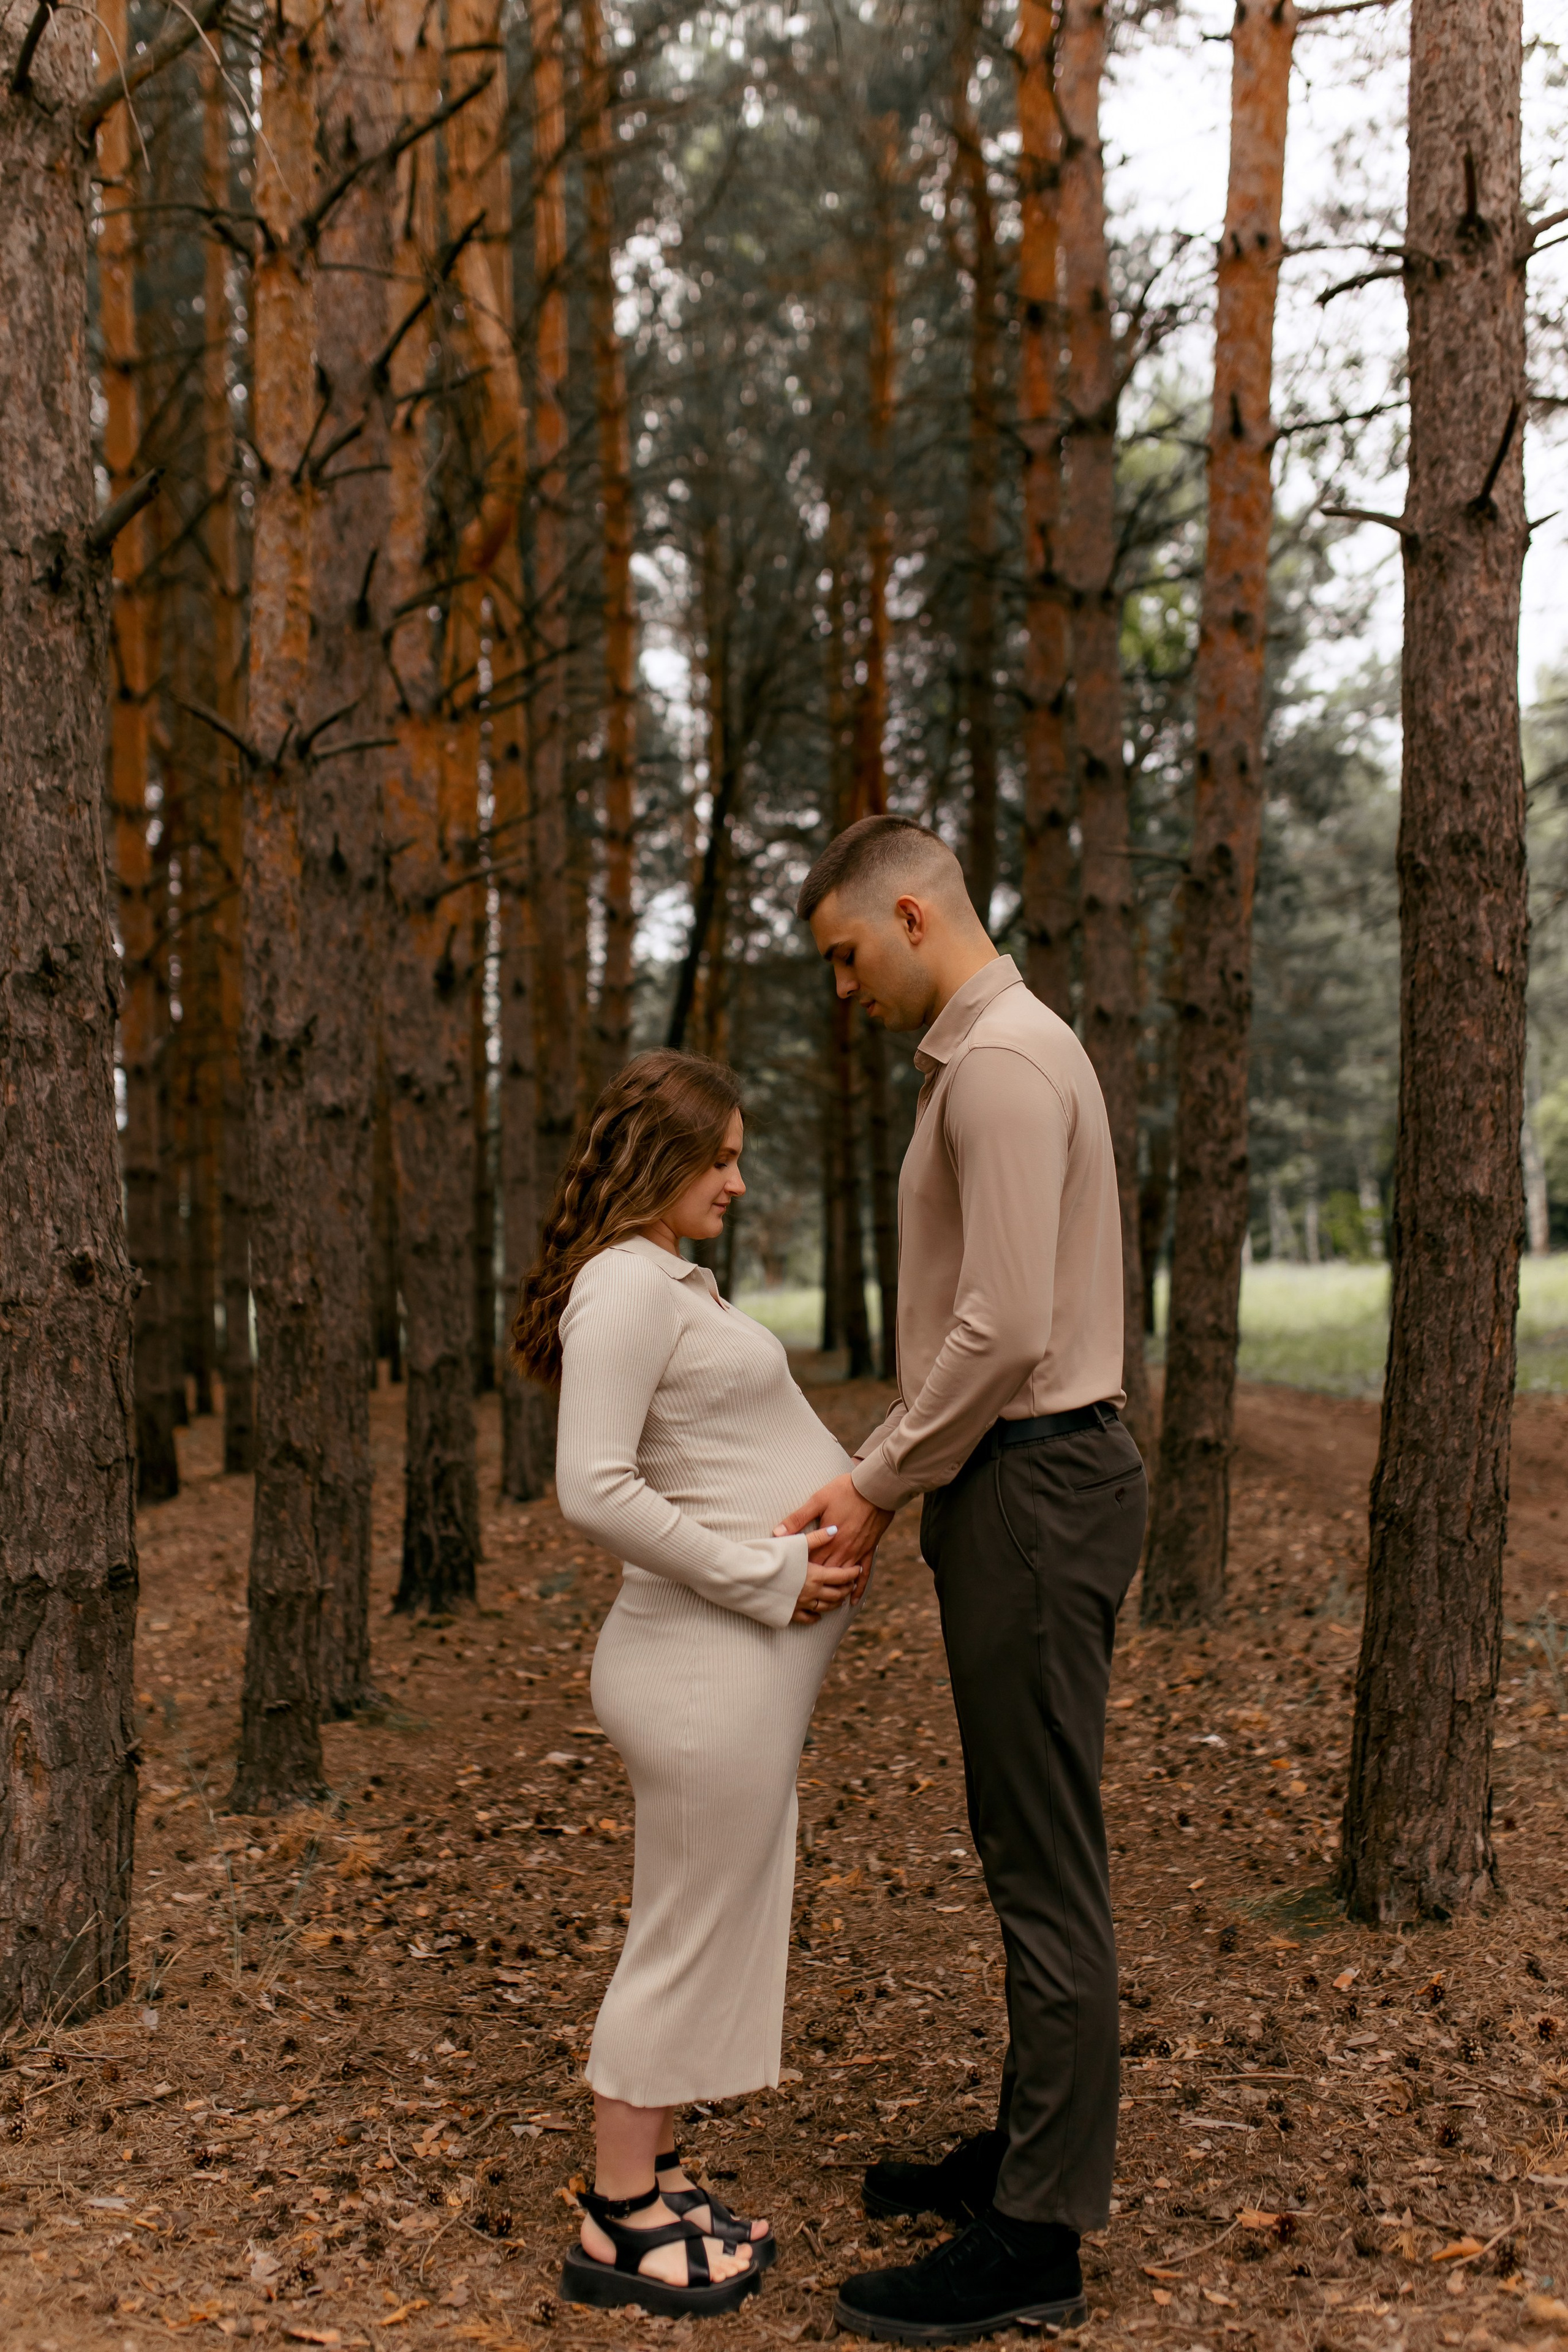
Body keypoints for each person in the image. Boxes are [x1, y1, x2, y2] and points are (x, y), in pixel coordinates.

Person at [775, 814, 1148, 2346]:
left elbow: (999, 1329)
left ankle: (1036, 2237)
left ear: (913, 917)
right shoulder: (997, 1050)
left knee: (1042, 1858)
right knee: (1021, 1837)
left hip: (1034, 1484)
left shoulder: (997, 1064)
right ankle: (1026, 2153)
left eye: (844, 955)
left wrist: (873, 1482)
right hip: (1023, 1482)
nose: (842, 989)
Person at [510, 1049, 867, 2322]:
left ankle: (657, 2180)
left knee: (708, 1917)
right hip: (699, 1666)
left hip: (729, 1668)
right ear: (657, 1158)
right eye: (718, 1158)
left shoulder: (665, 1279)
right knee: (681, 1931)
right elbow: (593, 1488)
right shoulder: (623, 1285)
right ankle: (617, 2221)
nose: (737, 1180)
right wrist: (765, 1576)